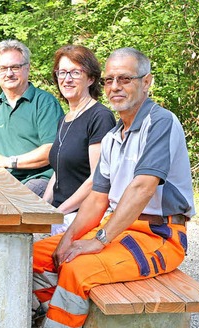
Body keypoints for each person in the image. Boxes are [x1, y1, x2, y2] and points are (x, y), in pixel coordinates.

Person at [29, 47, 195, 328]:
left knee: (78, 269)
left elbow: (142, 187)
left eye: (125, 78)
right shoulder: (113, 136)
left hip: (159, 234)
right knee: (37, 255)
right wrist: (69, 235)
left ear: (146, 82)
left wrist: (98, 239)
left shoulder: (160, 123)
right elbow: (98, 198)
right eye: (109, 80)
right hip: (117, 227)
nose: (115, 86)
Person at [0, 40, 64, 197]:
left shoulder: (44, 102)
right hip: (0, 179)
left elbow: (50, 151)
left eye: (15, 67)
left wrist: (9, 161)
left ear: (27, 68)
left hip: (39, 179)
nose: (8, 73)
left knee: (11, 200)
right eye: (2, 68)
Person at [42, 45, 116, 236]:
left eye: (75, 72)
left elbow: (97, 178)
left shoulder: (100, 117)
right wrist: (42, 206)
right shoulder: (65, 119)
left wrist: (59, 213)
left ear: (91, 78)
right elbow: (58, 171)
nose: (67, 79)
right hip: (62, 213)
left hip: (81, 216)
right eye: (62, 72)